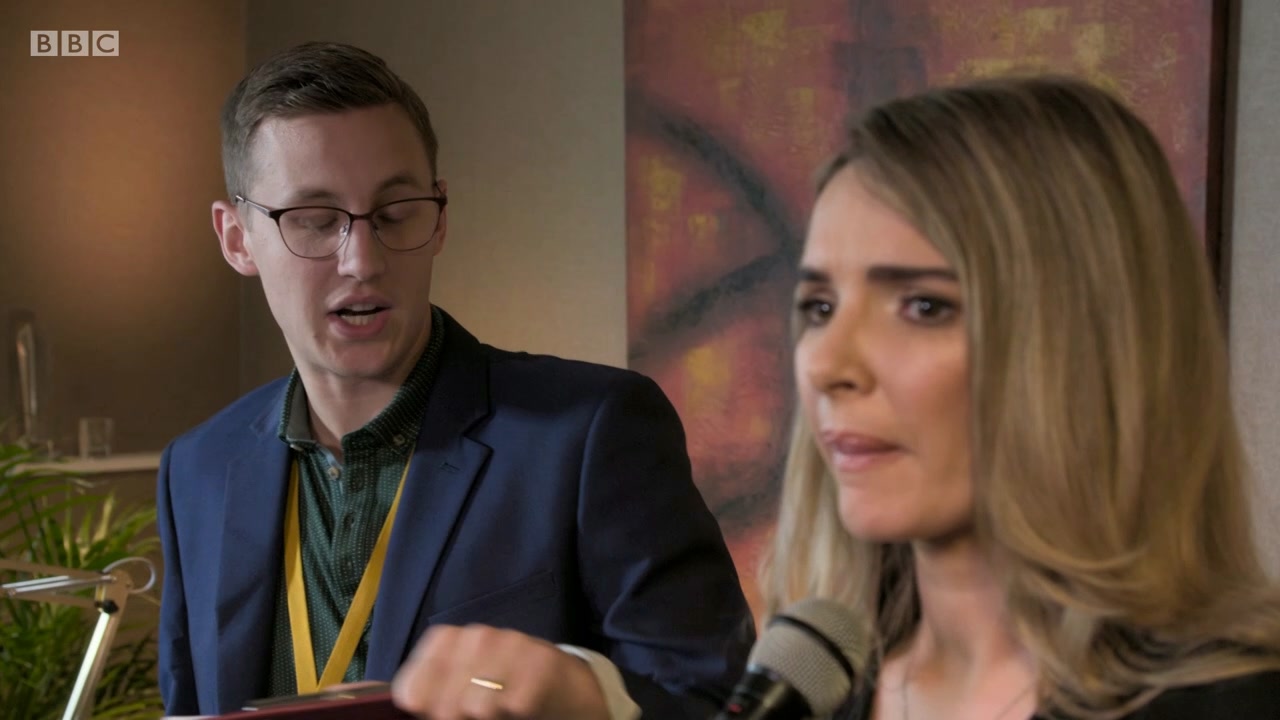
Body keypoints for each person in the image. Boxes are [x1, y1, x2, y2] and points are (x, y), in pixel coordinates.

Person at [155, 41, 754, 719]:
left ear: (439, 216)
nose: (363, 261)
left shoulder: (593, 432)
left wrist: (586, 694)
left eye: (395, 212)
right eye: (315, 222)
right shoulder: (196, 471)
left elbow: (718, 705)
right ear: (236, 238)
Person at [764, 75, 1280, 719]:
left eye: (923, 306)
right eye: (819, 307)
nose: (827, 366)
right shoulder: (806, 697)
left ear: (1082, 345)